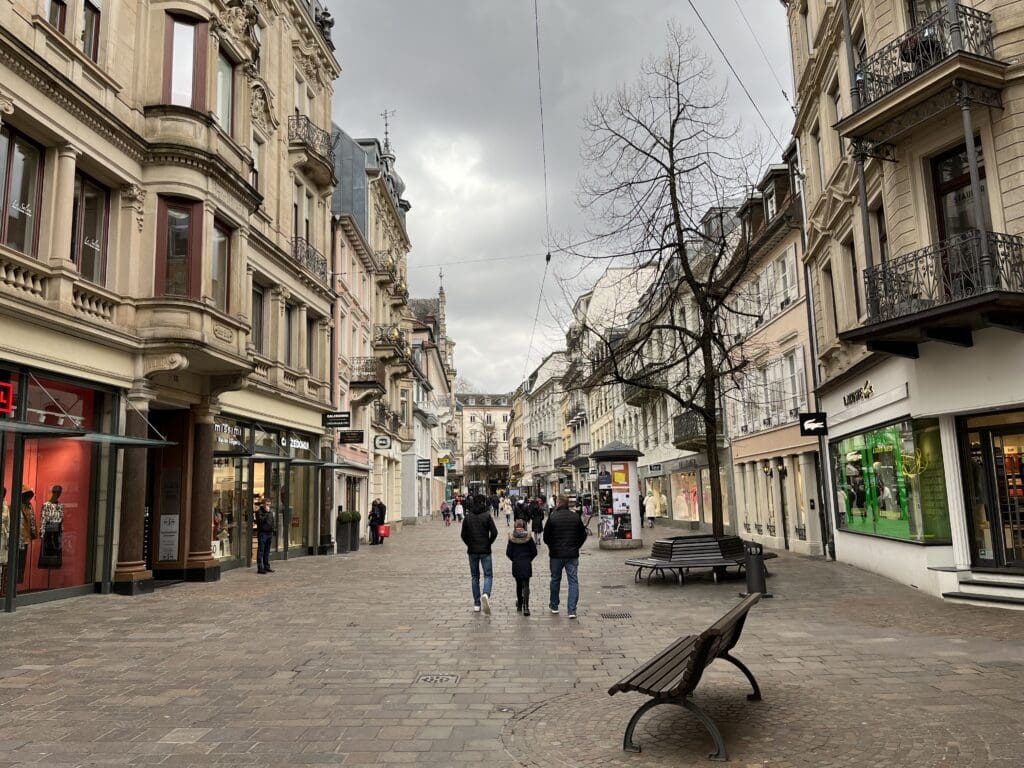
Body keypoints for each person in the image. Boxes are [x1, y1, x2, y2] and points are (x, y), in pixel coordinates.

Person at [543, 494, 588, 619]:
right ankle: (572, 610)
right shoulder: (575, 517)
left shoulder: (552, 517)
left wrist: (552, 547)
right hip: (572, 554)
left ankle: (554, 605)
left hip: (556, 555)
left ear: (558, 503)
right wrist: (576, 546)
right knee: (573, 581)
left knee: (555, 579)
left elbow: (546, 537)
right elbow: (583, 535)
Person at [461, 494, 498, 613]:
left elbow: (463, 535)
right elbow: (494, 532)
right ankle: (486, 594)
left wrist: (469, 544)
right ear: (483, 502)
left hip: (472, 550)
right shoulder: (487, 516)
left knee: (475, 576)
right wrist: (489, 543)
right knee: (488, 575)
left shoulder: (468, 517)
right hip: (485, 550)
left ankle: (477, 604)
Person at [506, 518, 538, 616]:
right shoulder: (528, 537)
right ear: (524, 527)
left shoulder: (512, 538)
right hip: (526, 563)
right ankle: (526, 607)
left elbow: (508, 553)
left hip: (516, 564)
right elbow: (534, 552)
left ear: (515, 527)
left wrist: (514, 559)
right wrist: (529, 559)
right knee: (526, 585)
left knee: (519, 585)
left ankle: (520, 603)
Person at [255, 497, 276, 574]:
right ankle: (260, 568)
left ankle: (267, 566)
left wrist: (273, 529)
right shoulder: (259, 512)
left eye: (269, 505)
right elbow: (260, 521)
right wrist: (266, 513)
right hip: (262, 533)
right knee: (261, 550)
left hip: (269, 533)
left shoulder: (270, 512)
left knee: (267, 551)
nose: (268, 506)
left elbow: (272, 521)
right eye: (267, 504)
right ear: (263, 504)